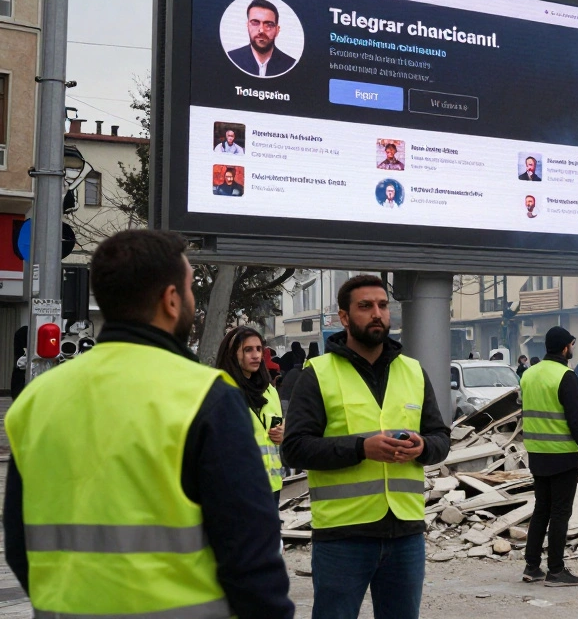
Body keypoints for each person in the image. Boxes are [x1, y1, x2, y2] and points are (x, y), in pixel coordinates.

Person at [3, 229, 292, 617]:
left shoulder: (37, 399)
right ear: (171, 300)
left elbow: (18, 544)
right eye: (189, 289)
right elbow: (251, 554)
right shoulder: (206, 396)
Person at [282, 274, 450, 619]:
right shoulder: (318, 374)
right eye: (366, 306)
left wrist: (422, 447)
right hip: (343, 536)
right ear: (344, 317)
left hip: (405, 533)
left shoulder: (413, 371)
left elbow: (441, 438)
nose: (377, 313)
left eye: (383, 305)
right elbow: (295, 448)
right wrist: (361, 448)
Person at [519, 327, 578, 586]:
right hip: (562, 455)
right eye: (571, 345)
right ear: (565, 348)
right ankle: (556, 570)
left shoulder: (529, 374)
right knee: (560, 513)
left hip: (536, 453)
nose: (572, 348)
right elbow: (577, 420)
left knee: (541, 509)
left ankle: (532, 566)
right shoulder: (566, 376)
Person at [216, 326, 286, 501]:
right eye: (248, 350)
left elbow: (276, 428)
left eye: (259, 349)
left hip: (272, 487)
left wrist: (284, 432)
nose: (256, 355)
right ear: (232, 354)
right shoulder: (221, 392)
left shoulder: (269, 391)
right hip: (238, 489)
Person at [228, 0, 297, 77]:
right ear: (247, 26)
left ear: (277, 30)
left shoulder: (290, 64)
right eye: (255, 23)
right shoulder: (232, 58)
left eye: (269, 25)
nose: (261, 30)